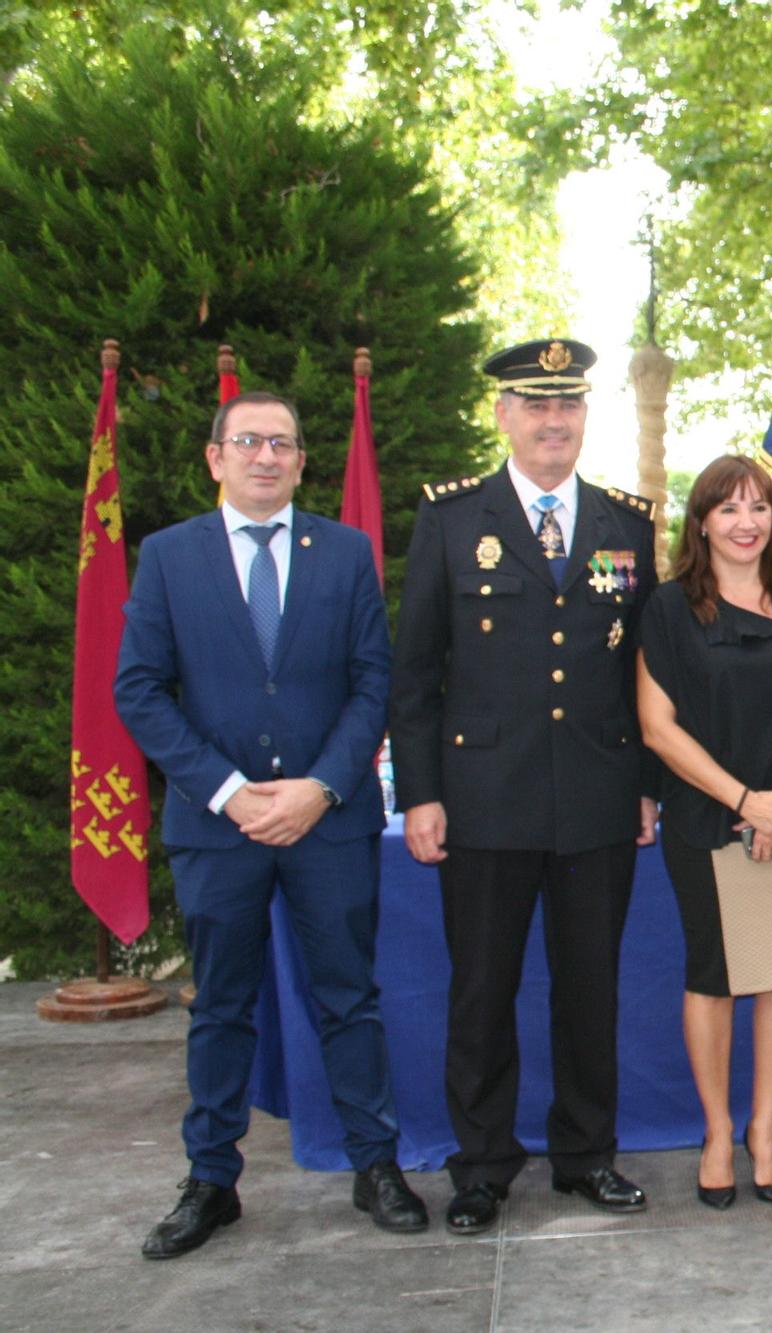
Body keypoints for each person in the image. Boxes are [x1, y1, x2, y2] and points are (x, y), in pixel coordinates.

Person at [116, 391, 426, 1258]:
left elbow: (375, 683)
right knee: (220, 1005)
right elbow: (138, 688)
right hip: (218, 828)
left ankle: (376, 1164)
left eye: (282, 444)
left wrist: (320, 787)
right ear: (215, 457)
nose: (265, 456)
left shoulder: (347, 553)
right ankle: (210, 1178)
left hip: (326, 823)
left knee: (348, 997)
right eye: (248, 441)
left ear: (300, 461)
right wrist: (228, 790)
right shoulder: (170, 556)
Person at [388, 338, 660, 1235]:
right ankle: (482, 1166)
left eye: (570, 406)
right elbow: (416, 669)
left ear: (586, 416)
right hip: (483, 798)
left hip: (596, 795)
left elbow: (647, 675)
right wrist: (420, 791)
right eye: (536, 406)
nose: (555, 422)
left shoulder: (627, 523)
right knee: (482, 990)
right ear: (503, 415)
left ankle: (586, 1156)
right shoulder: (452, 519)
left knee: (590, 989)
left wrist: (647, 785)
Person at [636, 455, 772, 1210]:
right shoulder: (666, 608)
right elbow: (657, 729)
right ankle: (718, 1132)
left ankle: (765, 1131)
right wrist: (743, 802)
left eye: (760, 507)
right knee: (715, 976)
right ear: (701, 522)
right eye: (729, 508)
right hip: (704, 817)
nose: (747, 522)